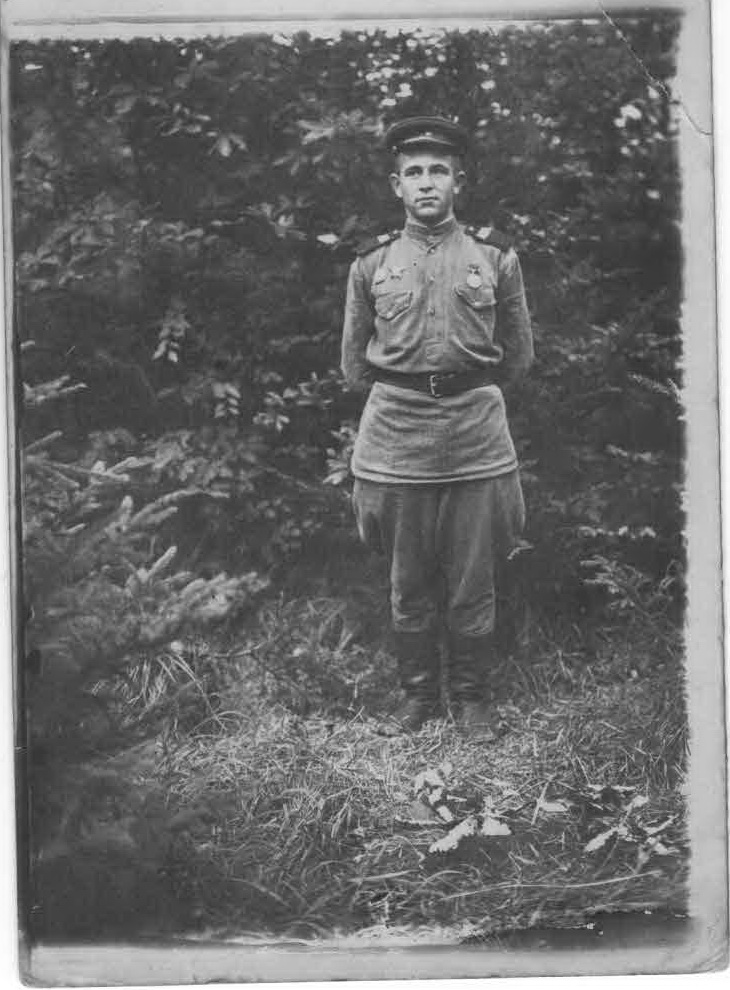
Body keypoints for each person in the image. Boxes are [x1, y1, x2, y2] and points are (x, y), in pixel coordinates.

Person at [341, 116, 533, 737]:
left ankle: (473, 700)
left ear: (459, 181)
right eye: (414, 172)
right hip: (396, 439)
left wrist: (464, 393)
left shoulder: (494, 256)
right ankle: (417, 698)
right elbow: (353, 366)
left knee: (474, 578)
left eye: (439, 171)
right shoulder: (371, 263)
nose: (427, 182)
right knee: (408, 580)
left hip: (475, 437)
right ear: (396, 185)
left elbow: (519, 355)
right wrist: (410, 395)